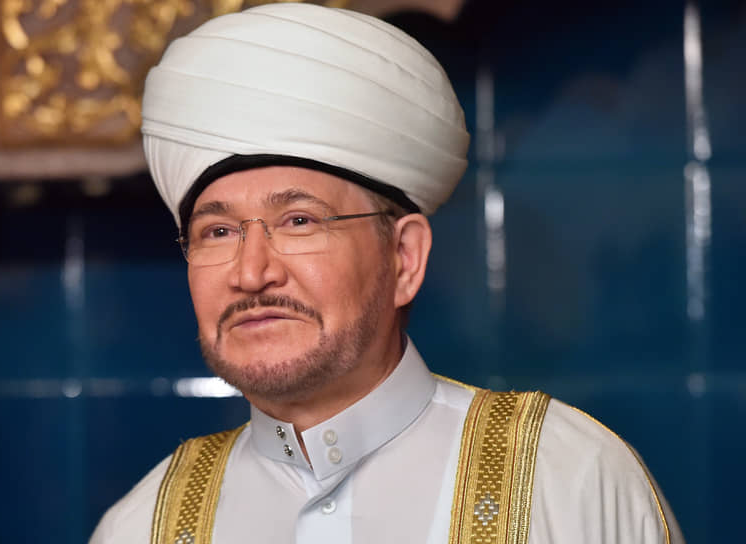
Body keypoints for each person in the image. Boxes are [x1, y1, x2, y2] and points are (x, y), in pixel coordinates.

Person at [90, 3, 683, 543]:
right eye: (218, 232)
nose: (251, 273)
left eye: (299, 221)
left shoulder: (570, 482)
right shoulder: (142, 525)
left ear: (404, 258)